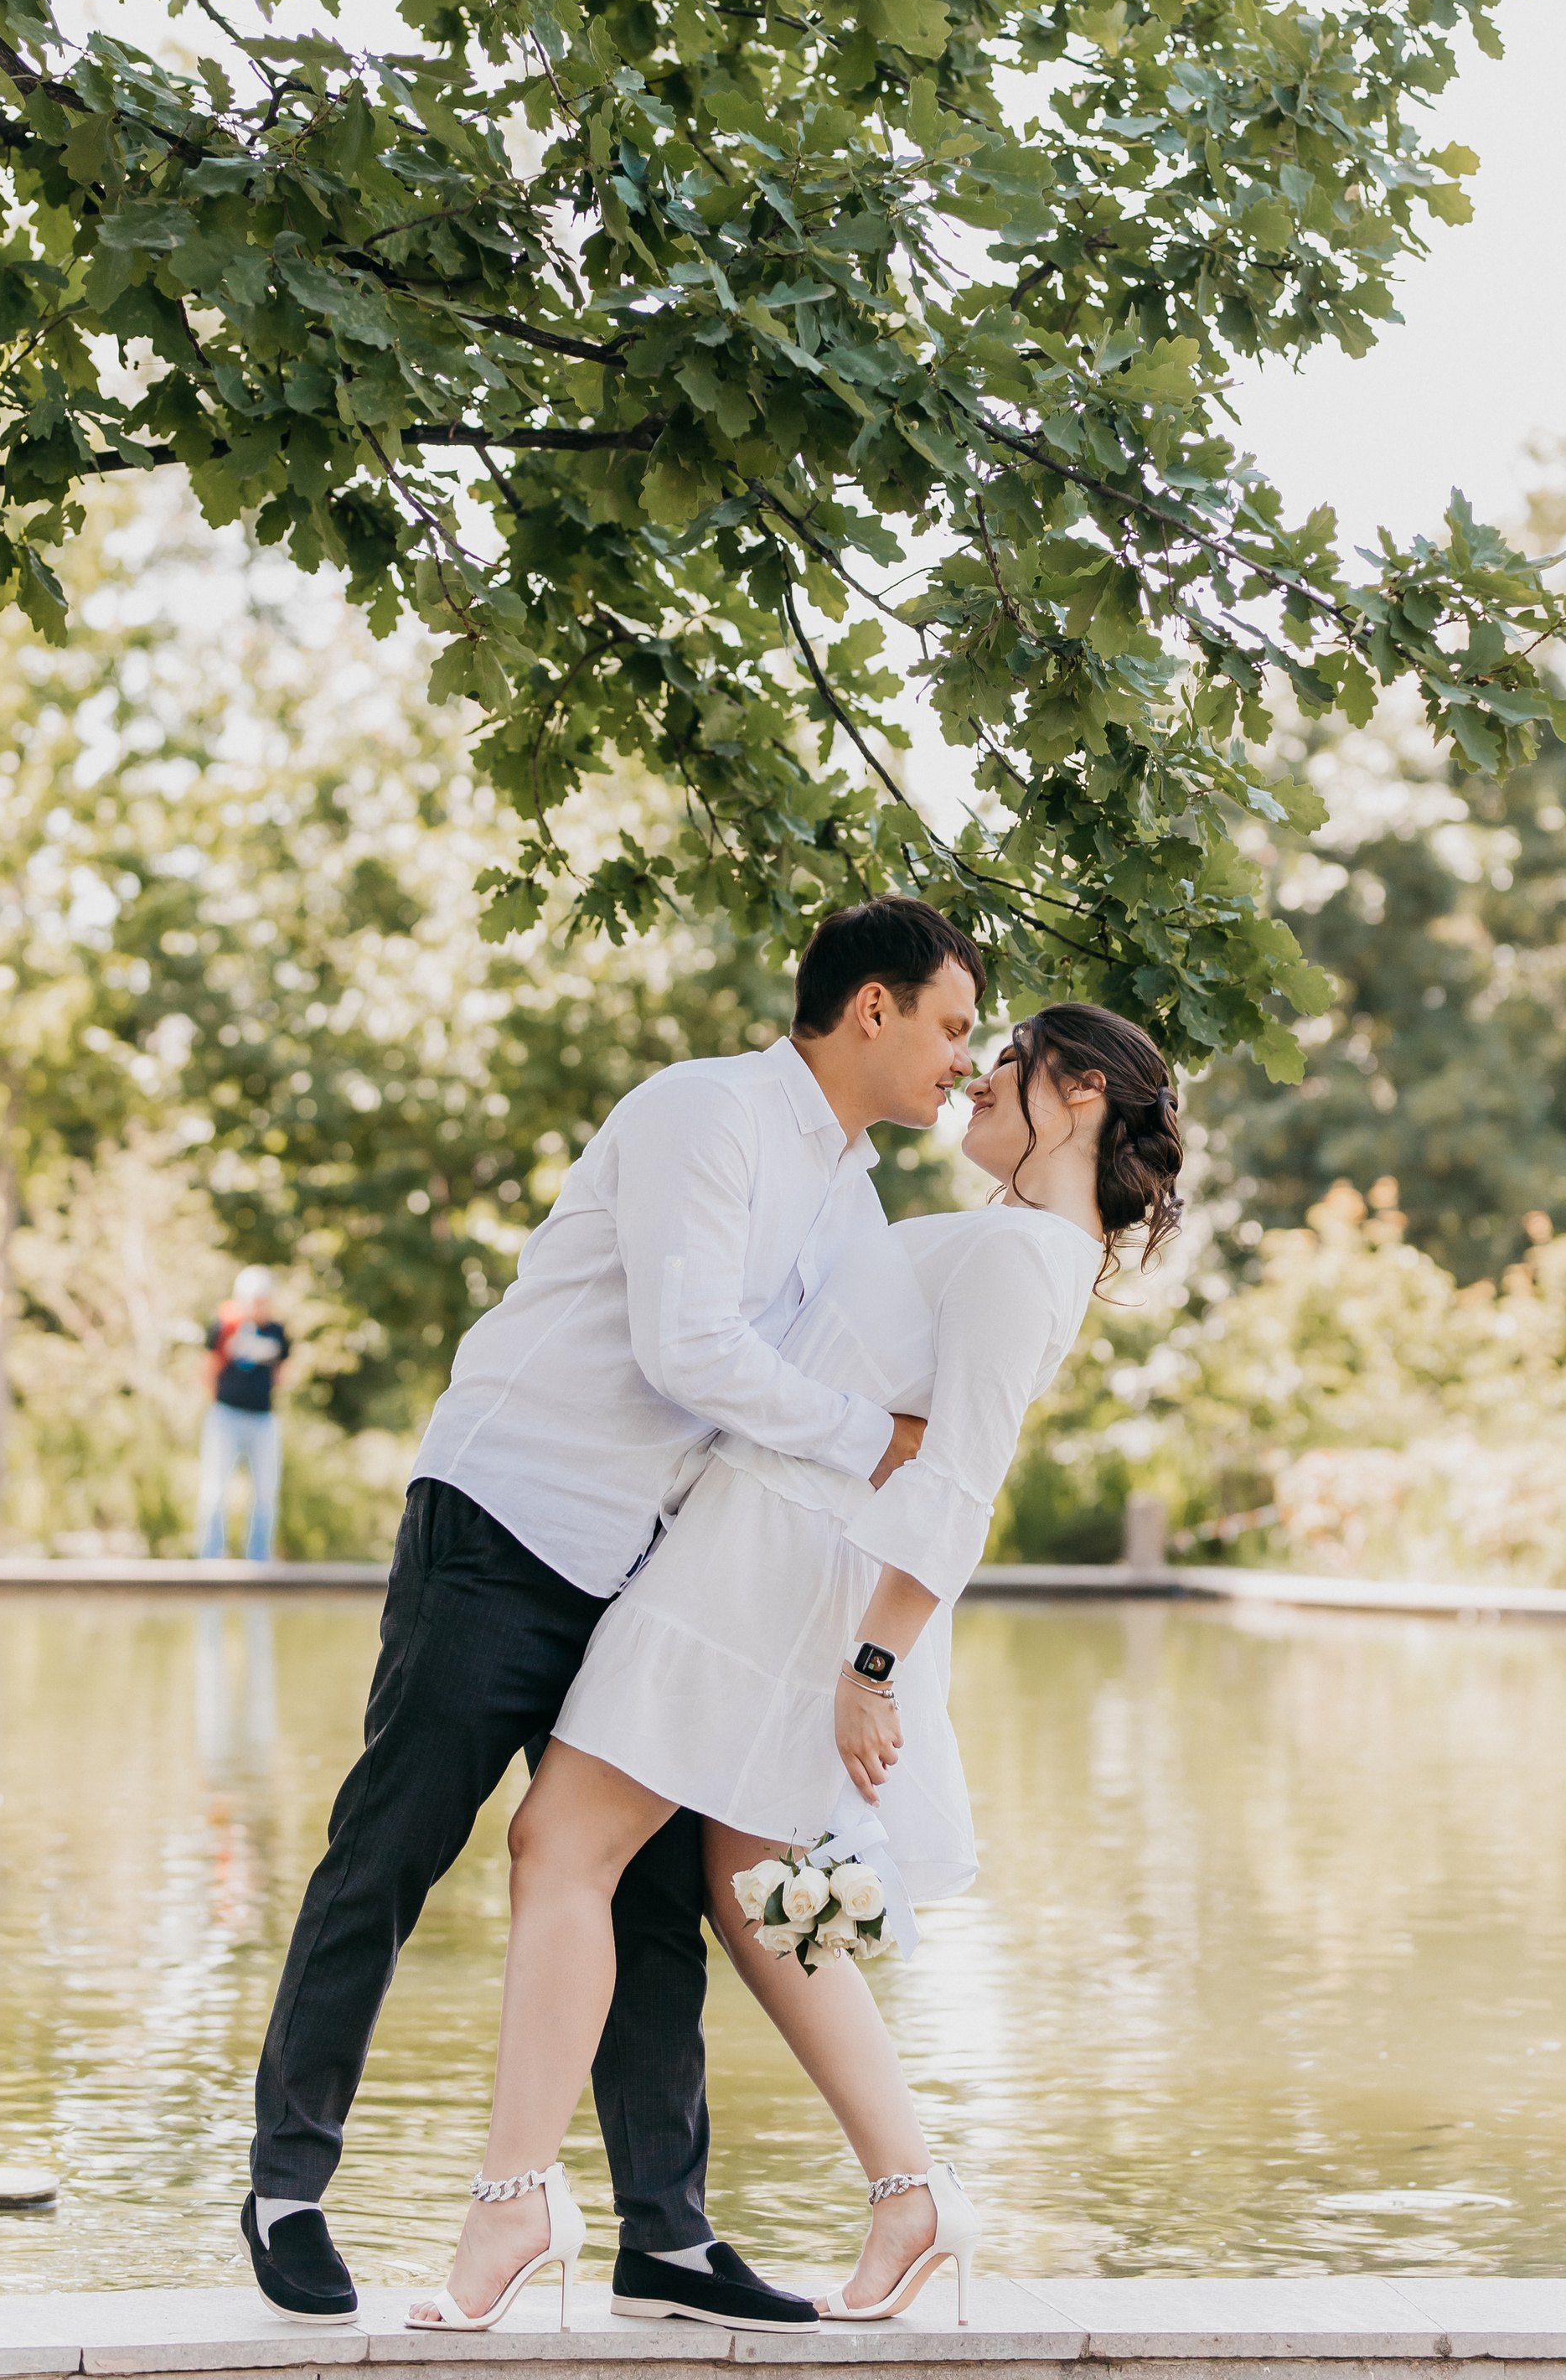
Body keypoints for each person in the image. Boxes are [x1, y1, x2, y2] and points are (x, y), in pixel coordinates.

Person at [238, 896, 986, 2329]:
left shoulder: (851, 1196)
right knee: (394, 1845)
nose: (961, 1058)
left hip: (651, 1569)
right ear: (873, 1007)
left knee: (648, 1893)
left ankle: (667, 2236)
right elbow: (687, 1347)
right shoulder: (705, 1114)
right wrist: (875, 1444)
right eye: (951, 1026)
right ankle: (288, 2188)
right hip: (507, 1522)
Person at [416, 1001, 1183, 2335]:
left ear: (1079, 1094)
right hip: (769, 1552)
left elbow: (960, 1486)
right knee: (754, 1881)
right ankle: (909, 2188)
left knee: (560, 1845)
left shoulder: (1026, 1258)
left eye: (1006, 1060)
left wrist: (871, 1666)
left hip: (765, 1574)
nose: (977, 1076)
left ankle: (514, 2200)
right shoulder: (1016, 1242)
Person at [198, 1266, 290, 1563]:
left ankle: (259, 1560)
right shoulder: (223, 1327)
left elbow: (281, 1373)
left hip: (263, 1419)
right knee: (214, 1489)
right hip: (226, 1415)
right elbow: (209, 1369)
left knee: (266, 1492)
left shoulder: (277, 1332)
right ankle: (210, 1557)